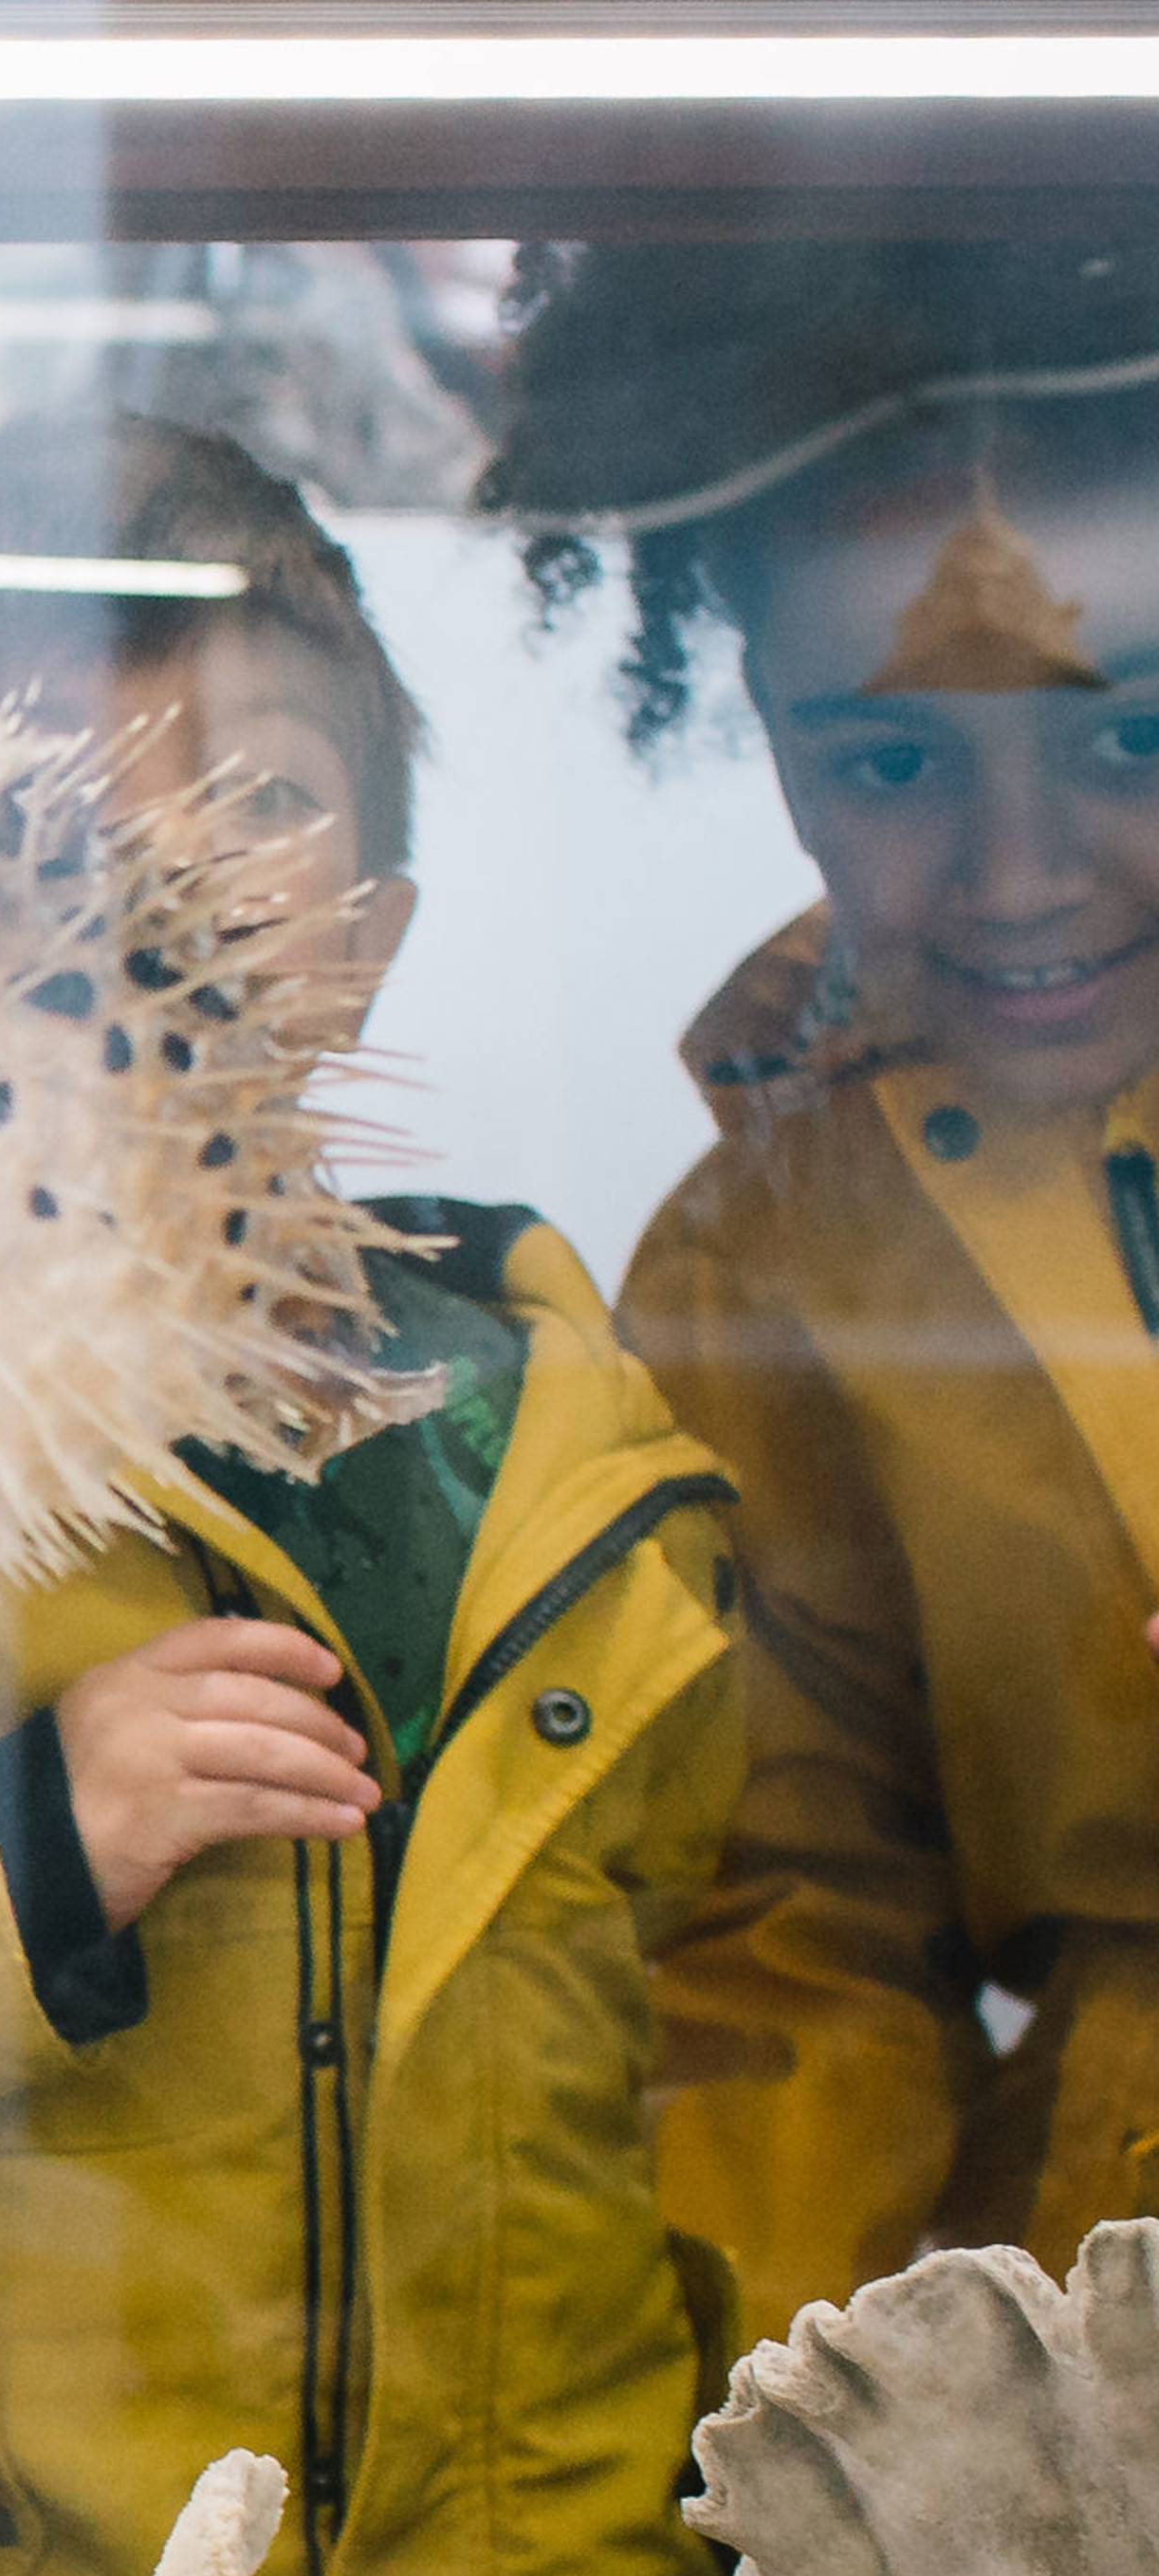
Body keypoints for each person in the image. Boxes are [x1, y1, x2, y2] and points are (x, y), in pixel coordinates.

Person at [0, 410, 753, 2576]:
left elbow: (746, 2003)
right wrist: (14, 1839)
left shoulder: (571, 1431)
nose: (161, 879)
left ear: (377, 928)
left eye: (259, 800)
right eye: (43, 816)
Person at [487, 242, 1159, 2348]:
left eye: (1137, 731)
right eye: (888, 764)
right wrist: (795, 2494)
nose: (1021, 871)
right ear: (761, 733)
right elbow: (791, 1947)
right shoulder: (772, 1255)